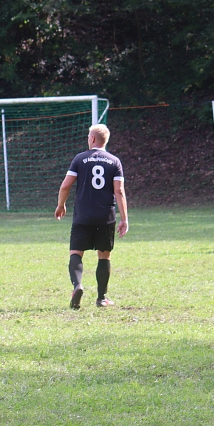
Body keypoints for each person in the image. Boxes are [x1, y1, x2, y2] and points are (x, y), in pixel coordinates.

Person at [54, 124, 128, 309]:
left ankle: (77, 286)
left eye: (89, 136)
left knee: (76, 252)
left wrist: (61, 205)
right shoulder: (115, 161)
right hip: (105, 216)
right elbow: (119, 191)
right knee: (104, 256)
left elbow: (65, 186)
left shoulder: (79, 159)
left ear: (93, 138)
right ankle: (102, 298)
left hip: (83, 215)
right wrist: (124, 218)